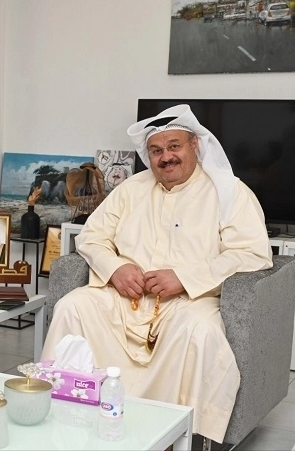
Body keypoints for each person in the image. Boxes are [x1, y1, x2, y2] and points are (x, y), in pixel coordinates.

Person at [41, 104, 273, 444]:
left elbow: (252, 254)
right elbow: (91, 236)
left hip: (187, 302)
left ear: (194, 145)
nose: (166, 157)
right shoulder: (131, 189)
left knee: (200, 331)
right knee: (73, 306)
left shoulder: (230, 192)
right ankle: (62, 411)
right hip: (124, 298)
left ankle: (184, 436)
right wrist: (115, 269)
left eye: (174, 146)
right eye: (156, 150)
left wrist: (185, 278)